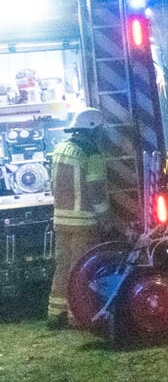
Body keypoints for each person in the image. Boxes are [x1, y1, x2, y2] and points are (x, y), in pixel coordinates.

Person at [47, 107, 109, 329]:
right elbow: (96, 191)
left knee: (62, 267)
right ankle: (77, 316)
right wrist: (105, 219)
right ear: (92, 129)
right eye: (100, 129)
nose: (102, 134)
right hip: (84, 221)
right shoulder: (91, 153)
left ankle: (55, 313)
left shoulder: (60, 149)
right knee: (81, 270)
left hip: (61, 219)